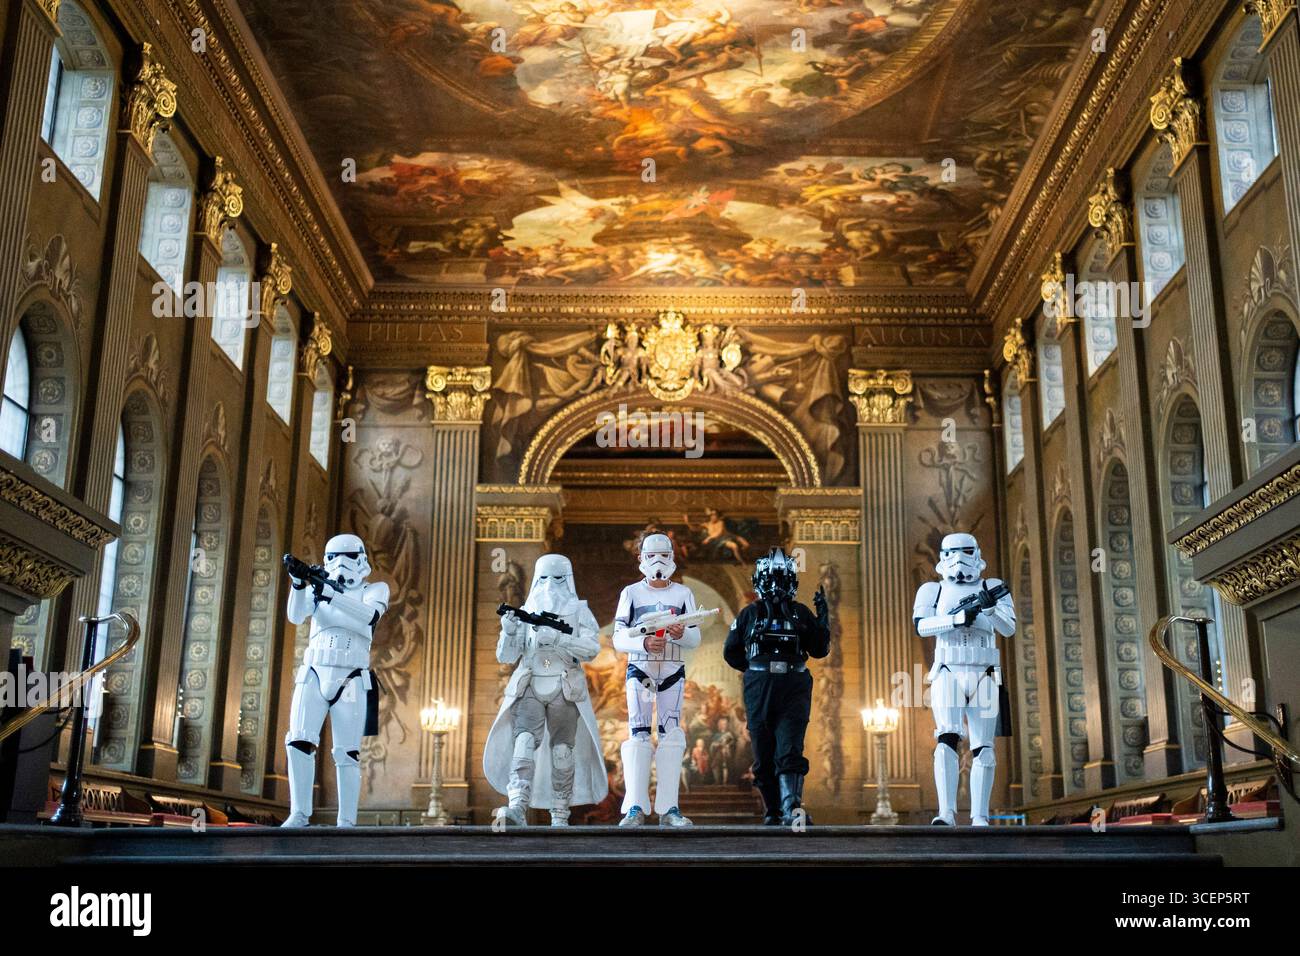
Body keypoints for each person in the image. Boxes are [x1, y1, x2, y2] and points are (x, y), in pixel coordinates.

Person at [483, 554, 606, 826]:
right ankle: (517, 805)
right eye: (545, 578)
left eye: (558, 578)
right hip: (531, 682)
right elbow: (506, 656)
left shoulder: (579, 610)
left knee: (563, 750)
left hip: (564, 685)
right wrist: (509, 631)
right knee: (524, 742)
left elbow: (591, 649)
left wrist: (561, 639)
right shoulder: (528, 610)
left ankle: (560, 813)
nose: (551, 585)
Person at [282, 534, 388, 828]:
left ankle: (346, 822)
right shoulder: (319, 588)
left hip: (351, 676)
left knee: (346, 752)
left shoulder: (374, 589)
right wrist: (299, 583)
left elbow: (368, 617)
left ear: (362, 559)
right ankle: (299, 813)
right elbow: (295, 615)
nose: (340, 564)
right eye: (333, 557)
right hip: (315, 670)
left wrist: (330, 595)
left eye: (348, 557)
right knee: (298, 740)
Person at [913, 533, 1016, 826]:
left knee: (983, 745)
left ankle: (979, 815)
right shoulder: (931, 590)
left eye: (967, 552)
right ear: (943, 556)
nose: (960, 559)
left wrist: (989, 609)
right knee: (947, 737)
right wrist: (957, 619)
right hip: (948, 668)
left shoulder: (992, 587)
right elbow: (921, 626)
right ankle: (946, 812)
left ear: (977, 552)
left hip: (984, 671)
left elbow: (1008, 629)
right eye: (953, 553)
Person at [724, 548, 830, 825]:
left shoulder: (800, 613)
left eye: (782, 578)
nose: (776, 585)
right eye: (771, 578)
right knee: (763, 748)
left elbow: (819, 650)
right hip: (760, 685)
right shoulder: (750, 613)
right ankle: (772, 810)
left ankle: (791, 808)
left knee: (790, 746)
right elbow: (731, 652)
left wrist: (823, 620)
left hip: (793, 684)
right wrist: (755, 671)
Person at [611, 532, 703, 826]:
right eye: (652, 556)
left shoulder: (683, 594)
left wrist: (682, 633)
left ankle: (669, 808)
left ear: (673, 557)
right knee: (638, 734)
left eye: (664, 554)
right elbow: (617, 637)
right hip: (641, 669)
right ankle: (635, 807)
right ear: (641, 559)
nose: (659, 561)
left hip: (672, 670)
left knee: (672, 737)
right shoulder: (631, 593)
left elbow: (695, 636)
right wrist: (643, 644)